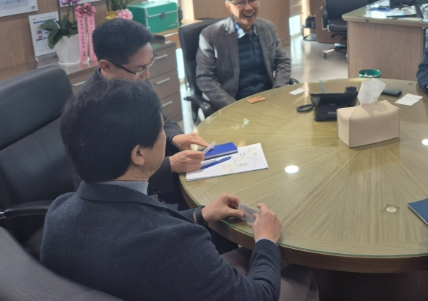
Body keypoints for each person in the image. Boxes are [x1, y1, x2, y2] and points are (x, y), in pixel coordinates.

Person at [42, 79, 317, 301]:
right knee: (305, 268)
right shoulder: (174, 244)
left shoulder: (59, 213)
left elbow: (134, 230)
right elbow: (259, 296)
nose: (166, 138)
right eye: (161, 130)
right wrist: (266, 241)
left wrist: (199, 215)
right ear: (138, 154)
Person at [87, 18, 207, 199]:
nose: (147, 74)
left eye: (149, 63)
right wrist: (169, 165)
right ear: (107, 66)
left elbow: (160, 117)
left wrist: (175, 136)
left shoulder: (134, 78)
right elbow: (106, 182)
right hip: (128, 199)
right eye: (140, 68)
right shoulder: (92, 110)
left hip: (159, 168)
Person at [197, 0, 291, 112]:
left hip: (268, 100)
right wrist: (233, 106)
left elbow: (283, 61)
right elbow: (205, 78)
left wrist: (278, 91)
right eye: (241, 2)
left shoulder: (267, 27)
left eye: (252, 0)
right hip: (233, 104)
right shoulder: (211, 35)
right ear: (229, 6)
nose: (248, 7)